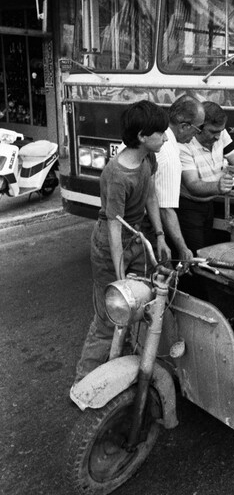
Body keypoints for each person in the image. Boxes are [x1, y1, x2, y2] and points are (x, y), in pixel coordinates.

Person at [73, 100, 171, 384]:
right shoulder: (116, 176)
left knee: (139, 308)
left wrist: (160, 235)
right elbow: (114, 230)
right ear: (142, 136)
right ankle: (83, 382)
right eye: (160, 133)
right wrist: (120, 279)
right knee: (110, 317)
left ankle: (124, 368)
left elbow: (150, 195)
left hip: (136, 239)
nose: (165, 137)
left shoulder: (147, 159)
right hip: (109, 246)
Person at [177, 101, 234, 253]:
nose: (218, 137)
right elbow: (192, 184)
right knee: (195, 253)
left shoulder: (220, 133)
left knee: (207, 250)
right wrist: (218, 186)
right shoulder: (184, 144)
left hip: (209, 203)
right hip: (189, 207)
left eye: (220, 131)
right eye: (212, 132)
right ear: (199, 128)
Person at [154, 94, 205, 264]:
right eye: (197, 129)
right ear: (183, 126)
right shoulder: (168, 154)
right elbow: (166, 209)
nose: (197, 135)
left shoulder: (154, 130)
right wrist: (183, 248)